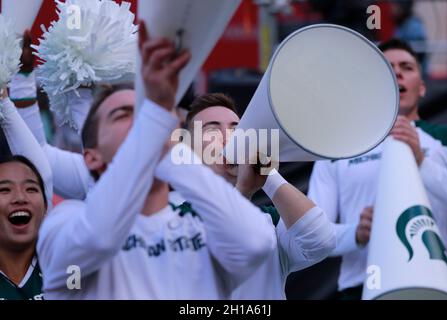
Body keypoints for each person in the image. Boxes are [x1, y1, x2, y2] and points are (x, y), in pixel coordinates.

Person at [36, 21, 276, 299]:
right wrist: (156, 119)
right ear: (91, 157)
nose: (142, 124)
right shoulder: (64, 220)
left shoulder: (197, 222)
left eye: (145, 116)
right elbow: (98, 239)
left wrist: (168, 149)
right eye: (125, 114)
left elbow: (256, 244)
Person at [307, 38, 447, 300]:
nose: (397, 72)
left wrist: (422, 162)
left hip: (437, 284)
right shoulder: (337, 149)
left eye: (406, 67)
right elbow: (312, 233)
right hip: (361, 288)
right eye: (387, 68)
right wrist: (356, 233)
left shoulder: (445, 139)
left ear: (422, 88)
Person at [183, 93, 336, 299]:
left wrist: (267, 173)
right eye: (212, 129)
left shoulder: (270, 219)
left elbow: (321, 243)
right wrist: (243, 191)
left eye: (236, 129)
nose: (229, 136)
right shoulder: (173, 217)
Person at [0, 155, 47, 300]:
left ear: (45, 208)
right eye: (4, 190)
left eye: (31, 189)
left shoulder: (72, 268)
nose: (20, 198)